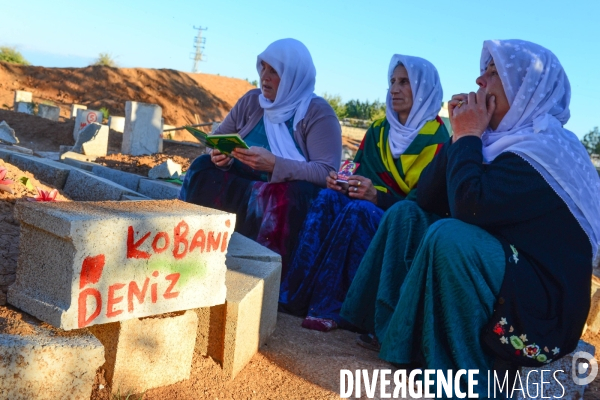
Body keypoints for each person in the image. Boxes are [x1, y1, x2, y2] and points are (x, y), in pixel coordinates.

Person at [340, 39, 600, 397]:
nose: (480, 81)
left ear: (526, 91)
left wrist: (467, 137)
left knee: (451, 237)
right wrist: (459, 137)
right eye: (483, 71)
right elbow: (427, 198)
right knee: (407, 215)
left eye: (495, 74)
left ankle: (466, 380)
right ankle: (393, 336)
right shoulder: (497, 141)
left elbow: (469, 207)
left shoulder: (549, 153)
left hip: (538, 311)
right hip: (500, 272)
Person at [279, 54, 449, 332]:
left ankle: (335, 308)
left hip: (403, 221)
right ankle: (295, 296)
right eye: (392, 81)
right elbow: (359, 170)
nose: (394, 89)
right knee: (327, 198)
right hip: (366, 204)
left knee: (359, 212)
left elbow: (428, 205)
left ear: (424, 90)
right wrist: (342, 182)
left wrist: (377, 198)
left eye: (404, 82)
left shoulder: (440, 142)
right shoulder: (379, 131)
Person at [179, 39, 341, 276]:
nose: (264, 76)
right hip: (244, 179)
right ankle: (191, 248)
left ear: (293, 76)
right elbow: (217, 139)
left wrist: (276, 164)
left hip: (284, 190)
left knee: (283, 195)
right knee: (203, 168)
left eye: (274, 71)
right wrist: (218, 154)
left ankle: (260, 273)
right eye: (263, 67)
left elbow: (327, 171)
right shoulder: (251, 101)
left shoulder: (318, 113)